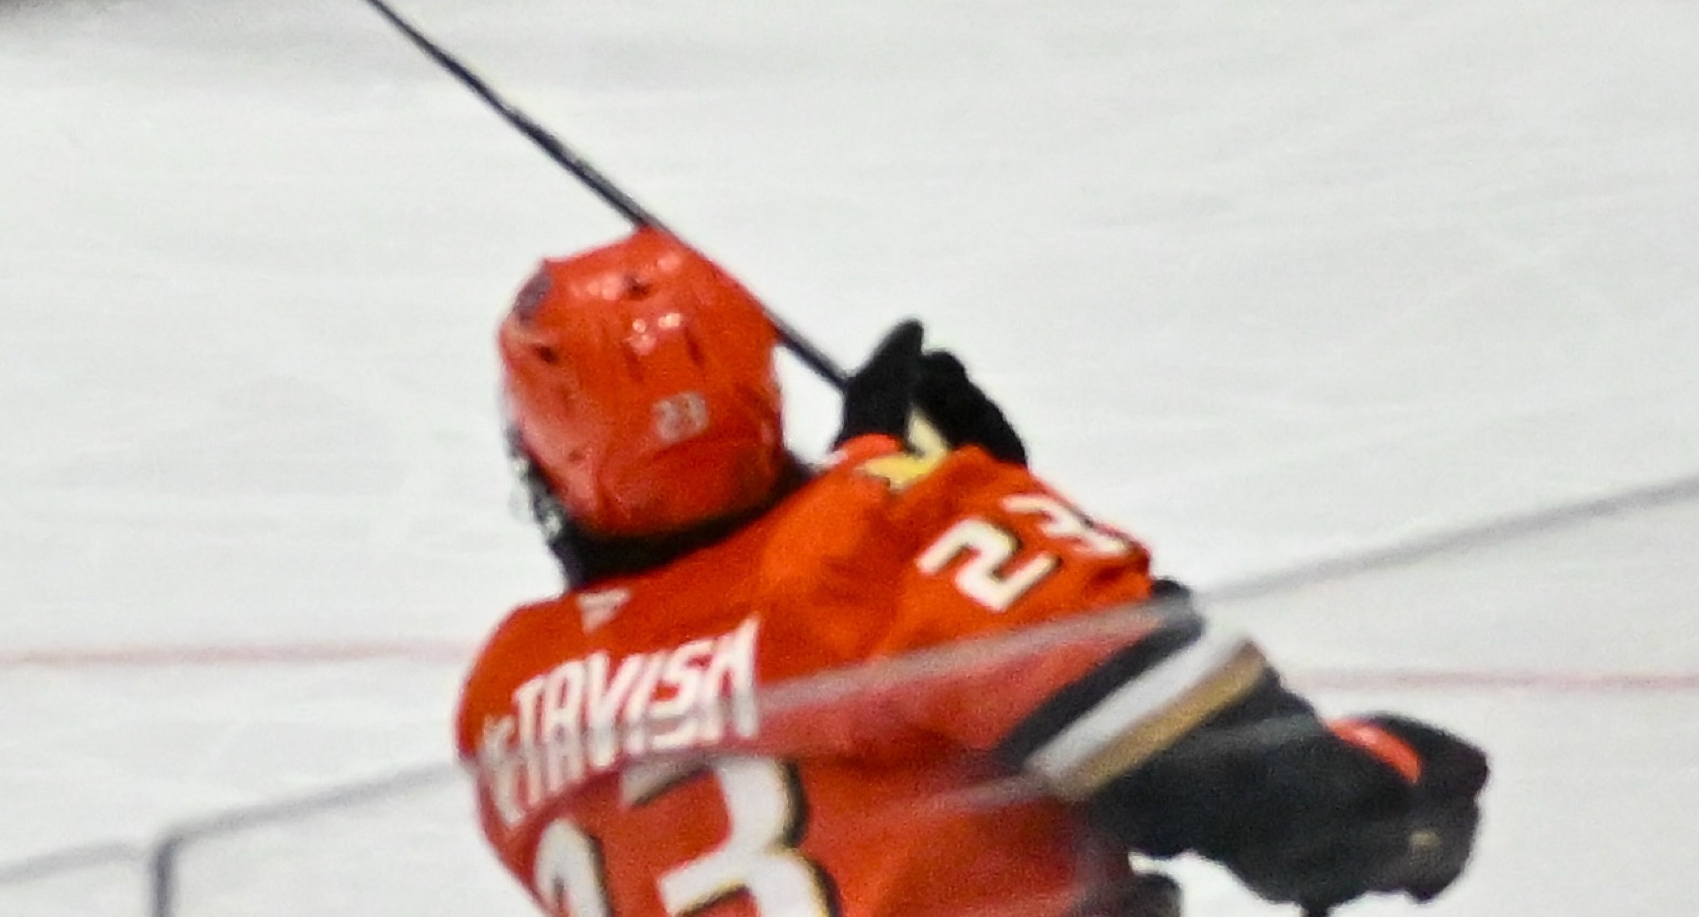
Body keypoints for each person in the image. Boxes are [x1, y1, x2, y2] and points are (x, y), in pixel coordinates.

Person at [461, 231, 1488, 917]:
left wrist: (878, 480)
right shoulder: (898, 538)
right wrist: (1404, 783)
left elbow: (732, 650)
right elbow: (1292, 815)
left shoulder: (505, 703)